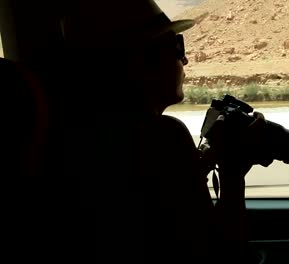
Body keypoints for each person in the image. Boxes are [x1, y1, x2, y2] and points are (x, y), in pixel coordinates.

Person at [59, 0, 273, 263]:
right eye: (176, 46)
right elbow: (222, 257)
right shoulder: (161, 137)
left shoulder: (78, 138)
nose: (185, 59)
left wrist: (201, 163)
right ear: (140, 60)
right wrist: (232, 170)